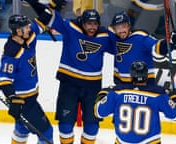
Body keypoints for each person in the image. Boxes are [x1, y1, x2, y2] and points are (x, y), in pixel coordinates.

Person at [25, 0, 113, 143]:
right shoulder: (70, 27)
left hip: (92, 87)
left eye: (95, 24)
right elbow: (46, 15)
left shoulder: (104, 36)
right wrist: (33, 2)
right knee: (65, 125)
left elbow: (124, 47)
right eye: (89, 24)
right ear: (82, 22)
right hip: (69, 84)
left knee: (92, 125)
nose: (92, 27)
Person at [94, 61, 176, 144]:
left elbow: (99, 112)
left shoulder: (117, 92)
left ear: (131, 75)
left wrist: (103, 93)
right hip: (150, 141)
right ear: (146, 75)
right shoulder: (158, 94)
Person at [0, 14, 53, 144]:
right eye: (26, 27)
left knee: (22, 129)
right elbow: (4, 79)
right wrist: (12, 98)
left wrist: (51, 4)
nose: (29, 29)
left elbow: (43, 20)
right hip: (24, 102)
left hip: (30, 98)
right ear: (18, 31)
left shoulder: (29, 37)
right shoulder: (11, 52)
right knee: (46, 131)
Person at [108, 11, 176, 85]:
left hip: (143, 84)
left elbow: (158, 47)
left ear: (129, 26)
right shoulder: (114, 38)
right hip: (121, 84)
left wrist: (171, 43)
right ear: (114, 29)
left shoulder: (140, 37)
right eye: (118, 27)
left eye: (124, 26)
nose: (121, 31)